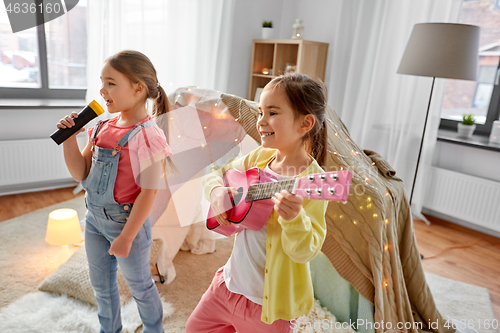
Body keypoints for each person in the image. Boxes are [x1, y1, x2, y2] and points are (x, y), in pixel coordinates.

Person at [186, 73, 329, 333]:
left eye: (272, 113)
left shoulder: (314, 183)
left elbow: (306, 251)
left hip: (270, 309)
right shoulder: (260, 157)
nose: (261, 122)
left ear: (305, 123)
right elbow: (217, 171)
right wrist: (217, 191)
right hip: (228, 286)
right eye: (260, 112)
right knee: (194, 328)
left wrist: (294, 220)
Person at [56, 50, 171, 333]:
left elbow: (148, 193)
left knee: (140, 285)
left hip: (126, 224)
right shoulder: (101, 127)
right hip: (94, 219)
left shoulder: (148, 135)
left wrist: (126, 237)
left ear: (138, 88)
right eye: (101, 82)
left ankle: (154, 329)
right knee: (101, 286)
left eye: (110, 83)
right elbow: (81, 173)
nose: (102, 90)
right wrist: (69, 139)